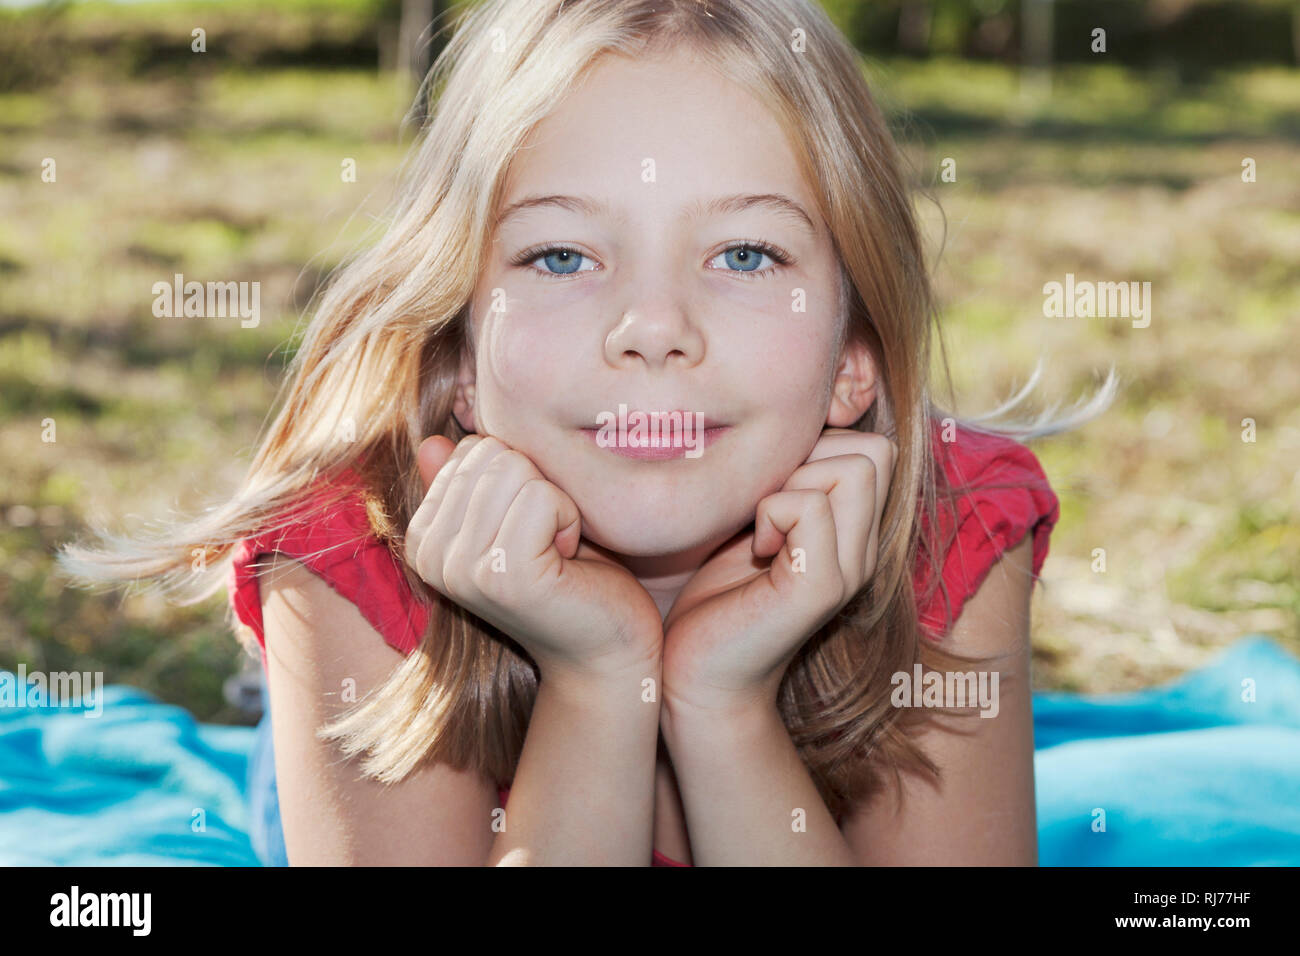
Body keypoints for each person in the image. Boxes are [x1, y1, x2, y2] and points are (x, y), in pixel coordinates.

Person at [59, 0, 1115, 866]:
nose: (653, 328)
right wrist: (599, 676)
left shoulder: (950, 524)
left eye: (745, 254)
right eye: (561, 256)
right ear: (459, 354)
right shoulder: (346, 548)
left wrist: (720, 699)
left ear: (856, 361)